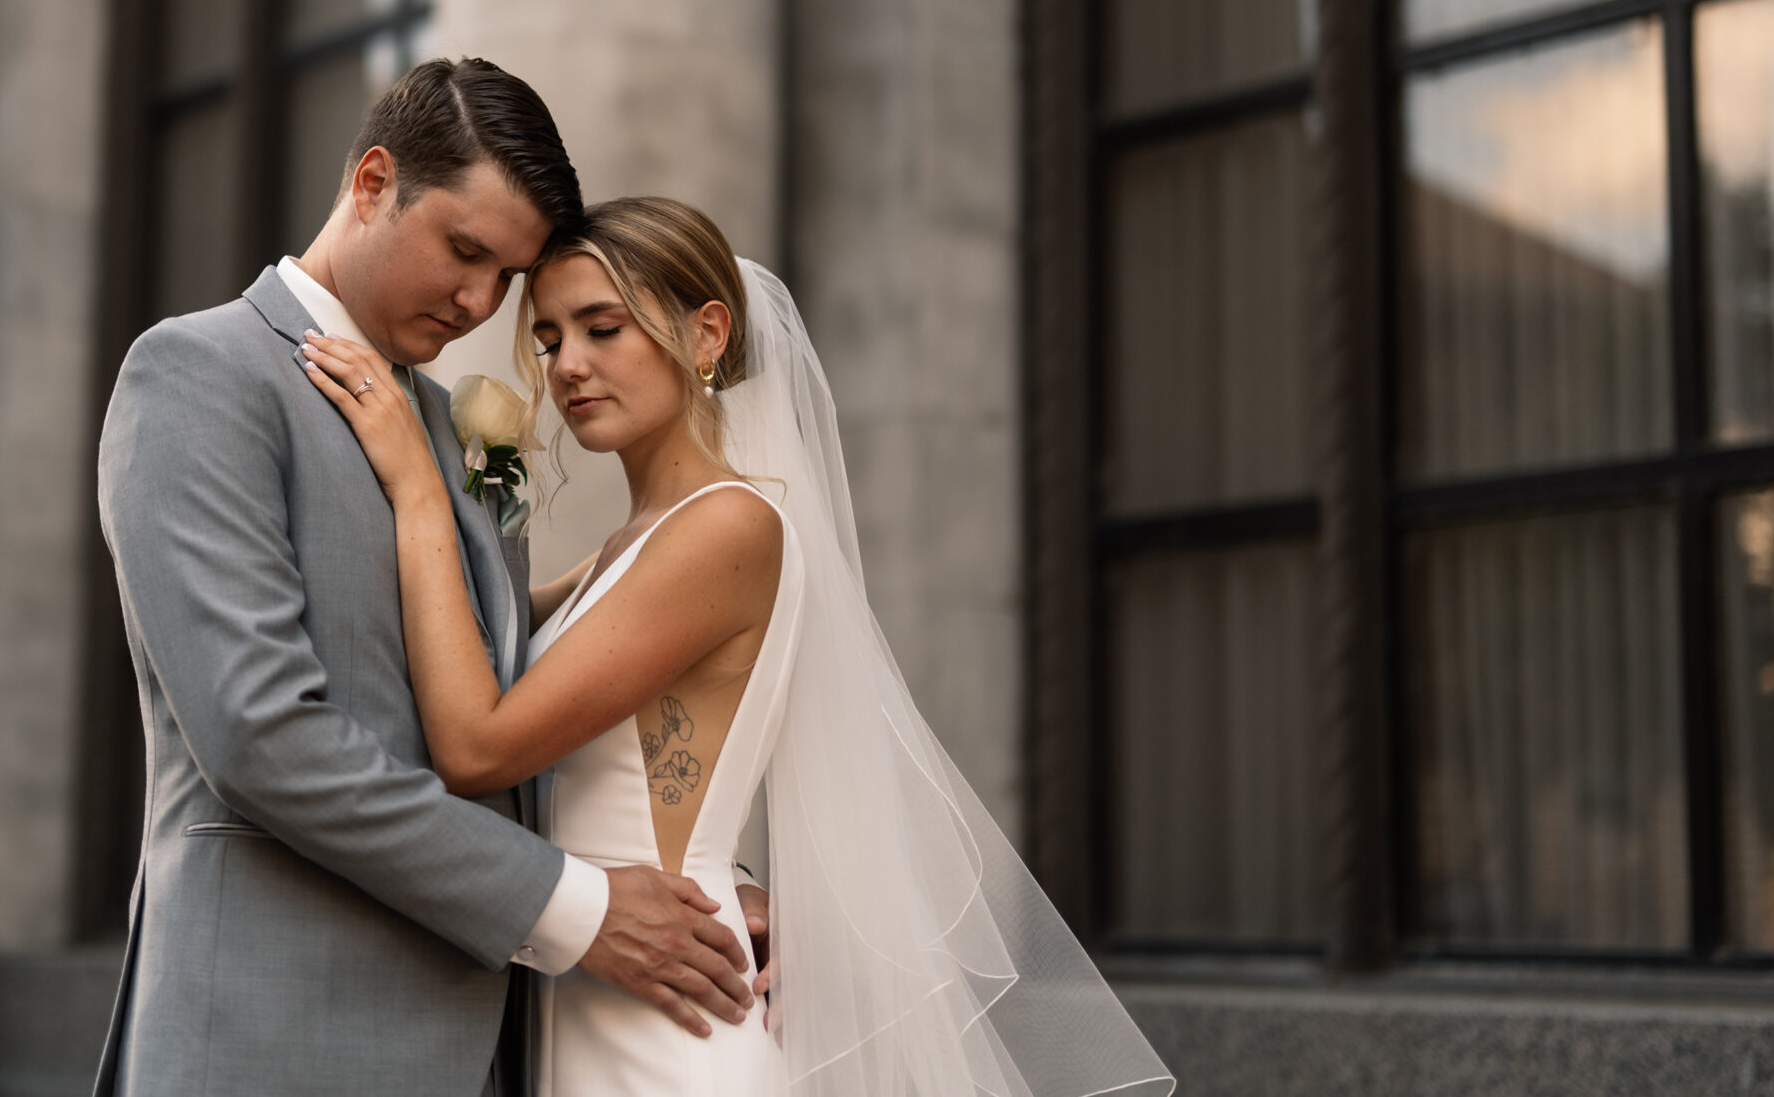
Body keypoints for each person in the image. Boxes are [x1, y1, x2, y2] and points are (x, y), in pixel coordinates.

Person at [300, 195, 1176, 1096]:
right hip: (600, 1003)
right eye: (552, 337)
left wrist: (416, 486)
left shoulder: (726, 527)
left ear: (707, 333)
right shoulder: (632, 547)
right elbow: (482, 654)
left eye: (603, 327)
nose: (568, 365)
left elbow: (477, 744)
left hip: (669, 1038)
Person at [91, 60, 757, 1097]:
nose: (480, 301)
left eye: (507, 277)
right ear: (369, 183)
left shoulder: (456, 430)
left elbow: (517, 703)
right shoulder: (202, 375)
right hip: (272, 1046)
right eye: (464, 251)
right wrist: (575, 907)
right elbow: (260, 737)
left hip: (486, 1053)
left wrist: (701, 892)